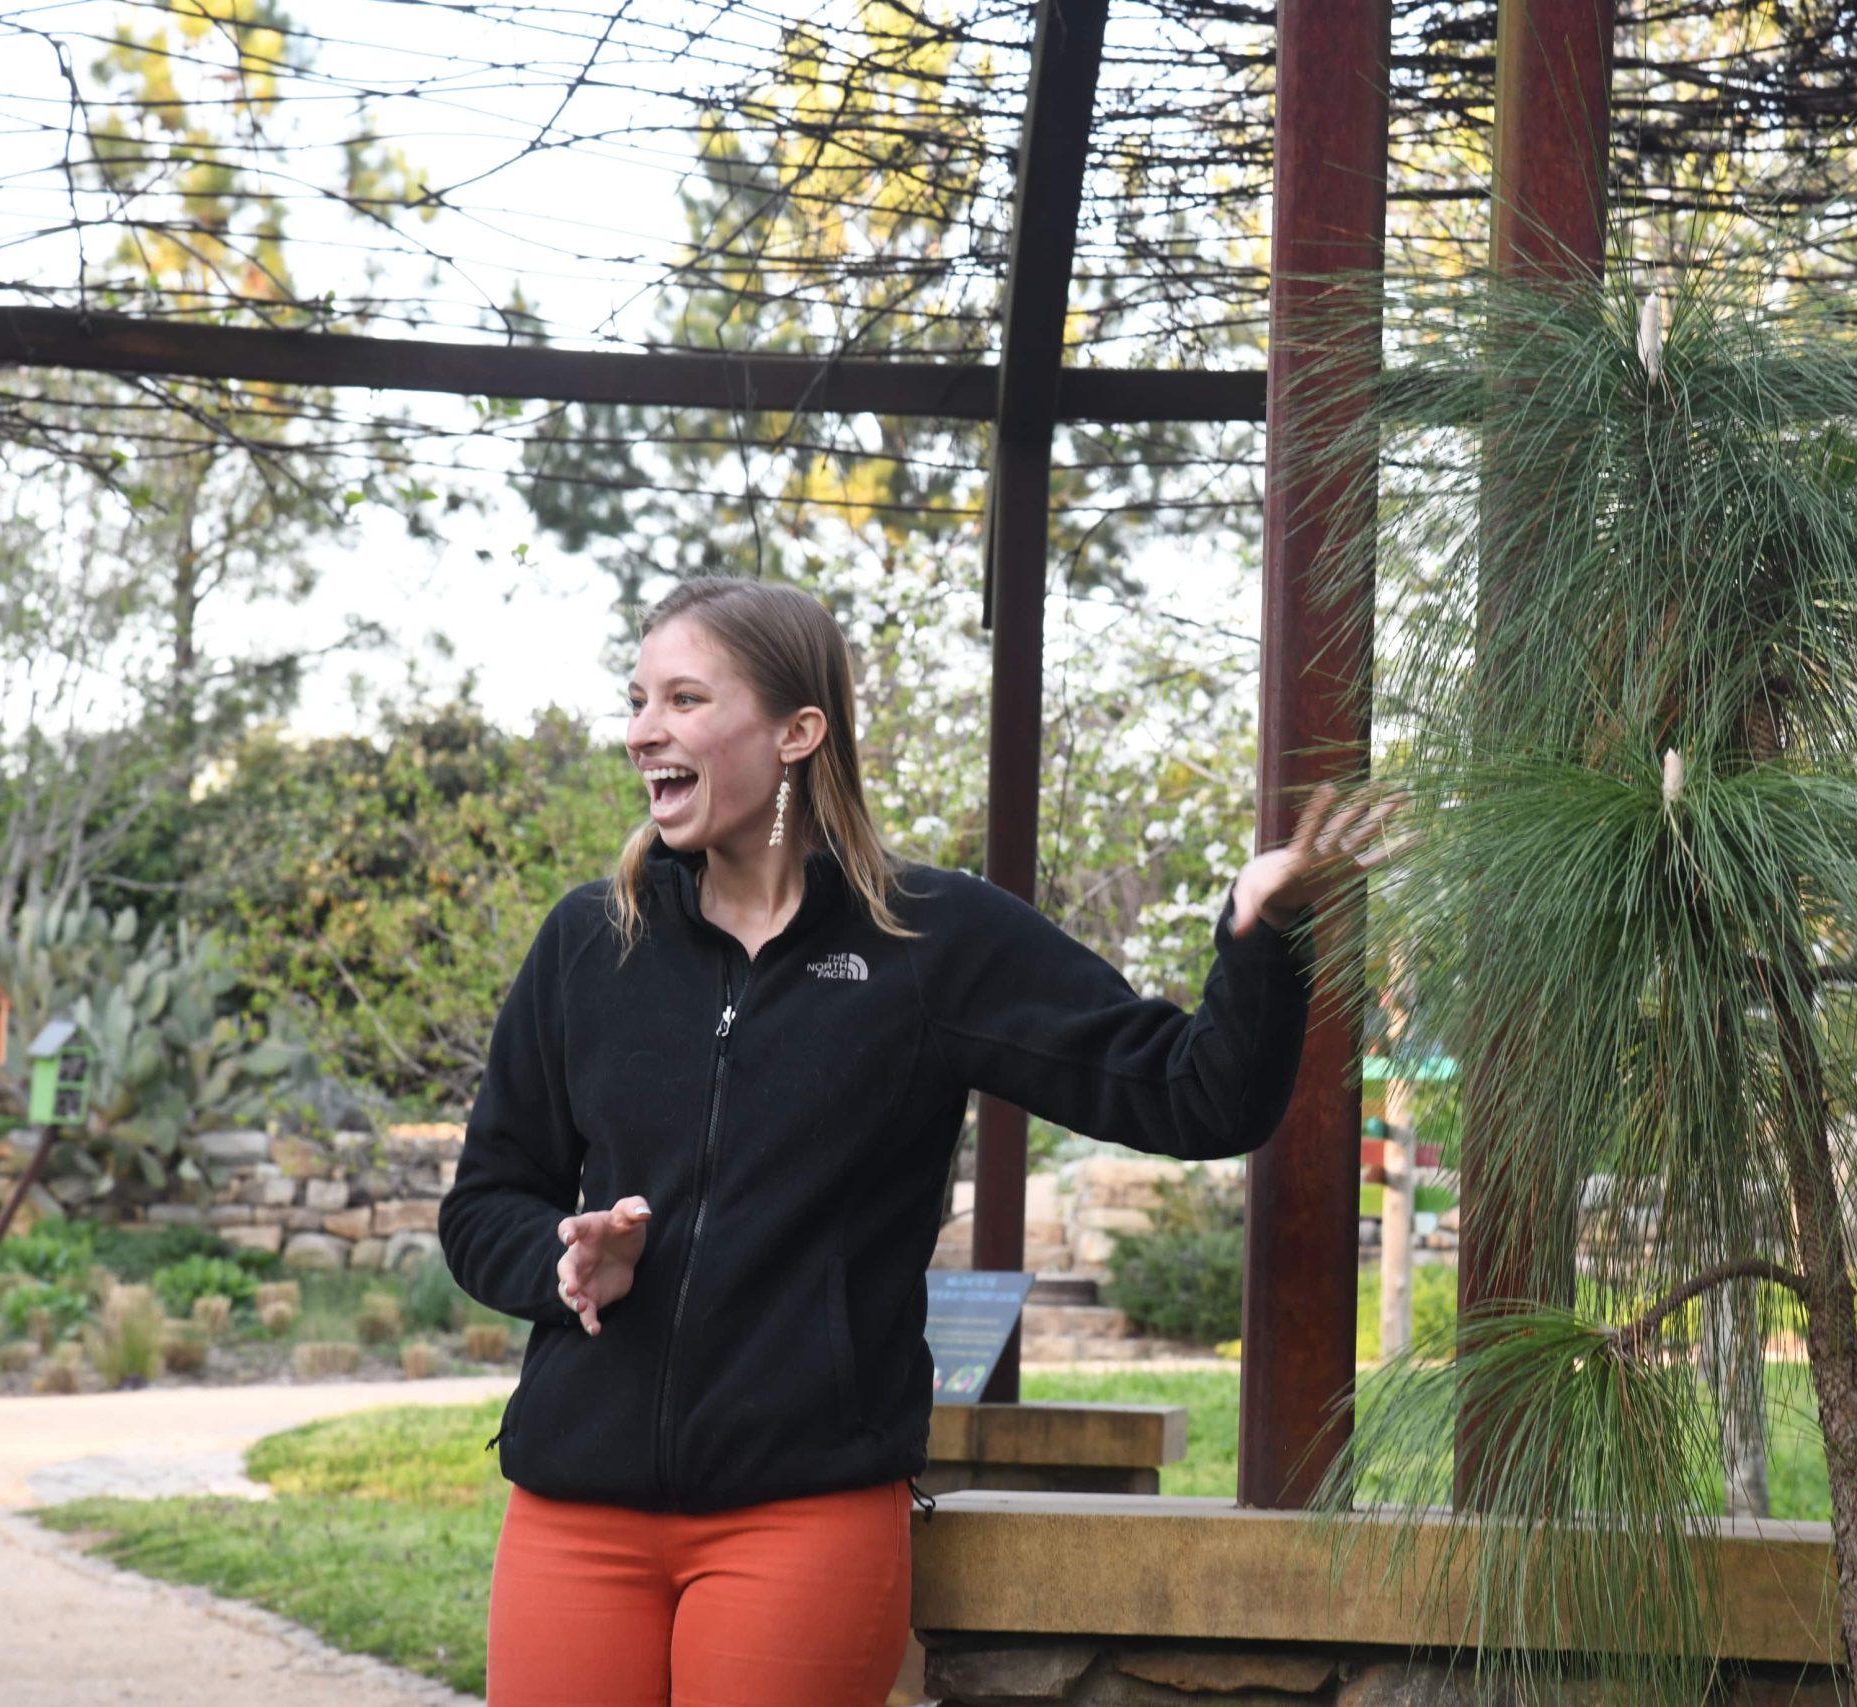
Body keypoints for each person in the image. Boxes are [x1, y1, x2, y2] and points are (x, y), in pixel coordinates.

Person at [438, 576, 1397, 1707]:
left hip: (799, 1518)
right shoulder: (592, 943)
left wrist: (1258, 930)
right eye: (638, 698)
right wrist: (564, 1257)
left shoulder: (927, 943)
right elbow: (485, 1201)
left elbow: (1195, 1099)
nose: (644, 729)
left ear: (799, 732)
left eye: (686, 698)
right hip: (573, 1515)